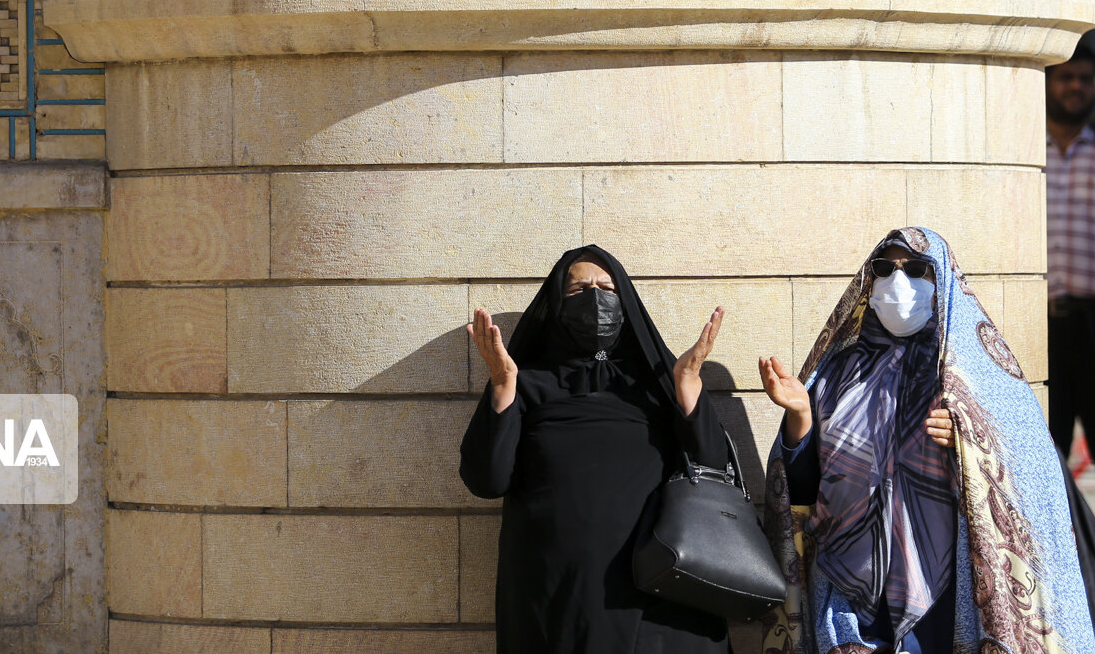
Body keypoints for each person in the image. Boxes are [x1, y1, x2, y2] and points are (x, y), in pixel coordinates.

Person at [759, 227, 1095, 654]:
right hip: (848, 598)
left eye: (916, 269)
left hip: (945, 599)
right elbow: (803, 491)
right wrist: (801, 417)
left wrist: (969, 443)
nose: (897, 281)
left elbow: (1031, 473)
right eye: (884, 269)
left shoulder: (977, 377)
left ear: (943, 280)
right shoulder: (837, 375)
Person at [459, 245, 732, 653]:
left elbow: (713, 468)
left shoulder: (657, 383)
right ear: (556, 303)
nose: (594, 298)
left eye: (607, 288)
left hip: (658, 600)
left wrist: (689, 384)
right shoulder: (526, 382)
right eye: (578, 289)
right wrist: (501, 385)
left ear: (626, 300)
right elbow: (487, 480)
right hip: (554, 601)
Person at [1046, 41, 1095, 458]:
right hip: (1039, 322)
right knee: (1046, 446)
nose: (1075, 86)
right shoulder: (1022, 154)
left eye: (1085, 79)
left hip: (1092, 318)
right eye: (1066, 77)